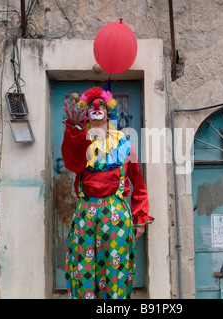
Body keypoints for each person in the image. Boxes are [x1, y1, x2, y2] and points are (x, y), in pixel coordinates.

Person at [61, 86, 154, 299]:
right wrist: (75, 131)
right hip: (87, 213)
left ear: (108, 111)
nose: (96, 108)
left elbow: (138, 183)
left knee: (116, 269)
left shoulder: (124, 144)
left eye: (101, 105)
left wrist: (140, 217)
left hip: (117, 214)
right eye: (92, 105)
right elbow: (73, 163)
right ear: (85, 112)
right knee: (84, 268)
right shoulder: (80, 140)